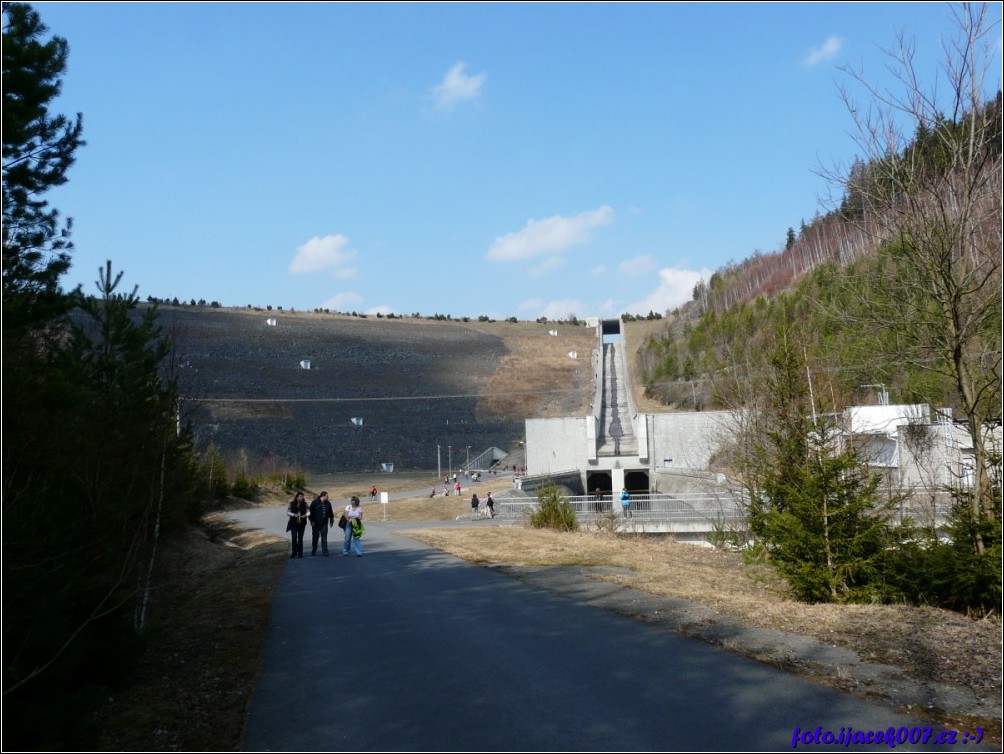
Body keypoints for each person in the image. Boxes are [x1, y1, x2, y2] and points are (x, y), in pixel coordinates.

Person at [309, 491, 335, 556]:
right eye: (327, 496)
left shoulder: (328, 503)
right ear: (322, 496)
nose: (328, 497)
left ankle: (325, 551)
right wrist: (312, 521)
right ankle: (314, 550)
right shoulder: (315, 502)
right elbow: (310, 513)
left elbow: (330, 513)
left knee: (324, 537)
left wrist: (331, 520)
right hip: (316, 523)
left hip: (324, 523)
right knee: (315, 537)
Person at [285, 491, 308, 558]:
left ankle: (300, 553)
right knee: (294, 538)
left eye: (302, 496)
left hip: (302, 524)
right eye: (300, 496)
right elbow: (288, 512)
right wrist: (293, 515)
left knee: (300, 538)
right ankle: (294, 552)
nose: (302, 498)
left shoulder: (305, 504)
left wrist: (305, 515)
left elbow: (309, 512)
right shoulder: (292, 504)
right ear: (297, 497)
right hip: (293, 524)